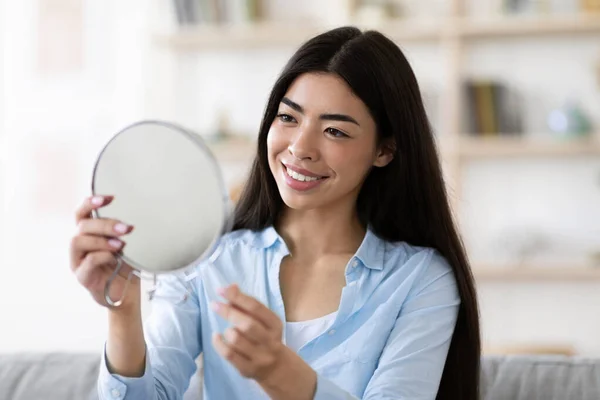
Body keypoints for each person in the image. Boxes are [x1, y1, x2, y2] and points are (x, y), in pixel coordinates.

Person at [70, 26, 480, 400]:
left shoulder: (420, 281)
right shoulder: (211, 257)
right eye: (288, 117)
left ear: (384, 150)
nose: (300, 148)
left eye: (334, 130)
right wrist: (122, 311)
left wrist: (279, 371)